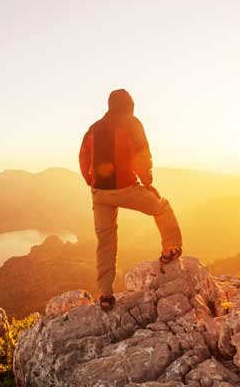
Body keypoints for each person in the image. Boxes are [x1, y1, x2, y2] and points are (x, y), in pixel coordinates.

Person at [78, 89, 183, 311]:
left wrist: (91, 181)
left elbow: (83, 157)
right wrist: (147, 182)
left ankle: (106, 294)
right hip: (125, 188)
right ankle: (170, 249)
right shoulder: (131, 122)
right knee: (162, 207)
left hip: (99, 194)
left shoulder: (93, 128)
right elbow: (141, 156)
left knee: (105, 243)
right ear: (129, 105)